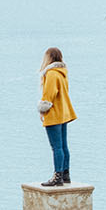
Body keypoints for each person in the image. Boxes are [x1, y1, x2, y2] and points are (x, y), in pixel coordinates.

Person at [38, 46, 76, 186]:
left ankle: (57, 176)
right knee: (63, 146)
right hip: (63, 113)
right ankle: (66, 174)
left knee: (56, 147)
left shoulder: (52, 74)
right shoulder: (62, 73)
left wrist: (42, 110)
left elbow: (49, 95)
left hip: (54, 114)